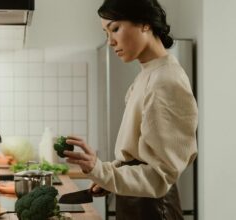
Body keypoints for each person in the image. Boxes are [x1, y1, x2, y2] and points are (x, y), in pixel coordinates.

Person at [63, 0, 198, 219]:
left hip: (153, 209)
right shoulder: (147, 74)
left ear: (145, 23)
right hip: (137, 204)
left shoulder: (166, 81)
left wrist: (101, 170)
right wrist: (109, 175)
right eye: (106, 33)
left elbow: (160, 175)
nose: (110, 41)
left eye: (115, 28)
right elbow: (139, 153)